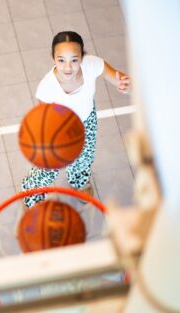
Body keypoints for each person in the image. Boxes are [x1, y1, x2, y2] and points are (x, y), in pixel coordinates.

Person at [21, 31, 130, 207]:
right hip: (58, 131)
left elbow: (116, 76)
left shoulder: (92, 64)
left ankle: (79, 181)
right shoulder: (46, 88)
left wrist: (124, 84)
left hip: (86, 122)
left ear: (82, 57)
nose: (68, 67)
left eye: (74, 59)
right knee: (47, 169)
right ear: (53, 59)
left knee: (84, 158)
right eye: (61, 60)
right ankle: (34, 194)